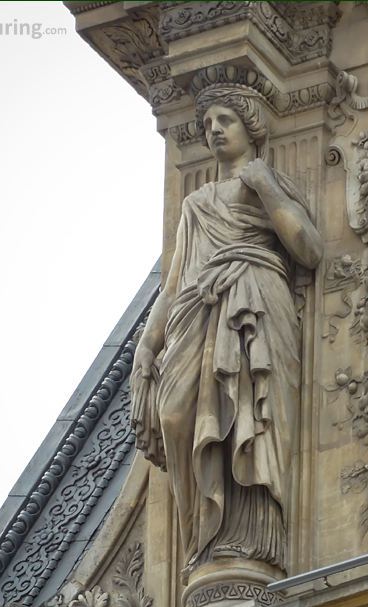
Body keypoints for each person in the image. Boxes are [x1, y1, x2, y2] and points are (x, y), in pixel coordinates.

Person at [130, 84, 322, 580]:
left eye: (225, 120)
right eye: (208, 123)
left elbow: (308, 249)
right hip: (199, 310)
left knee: (248, 424)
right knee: (176, 416)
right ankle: (204, 538)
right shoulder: (196, 205)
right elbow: (173, 287)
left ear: (251, 128)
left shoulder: (269, 184)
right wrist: (146, 347)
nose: (214, 130)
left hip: (255, 303)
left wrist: (268, 188)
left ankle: (247, 547)